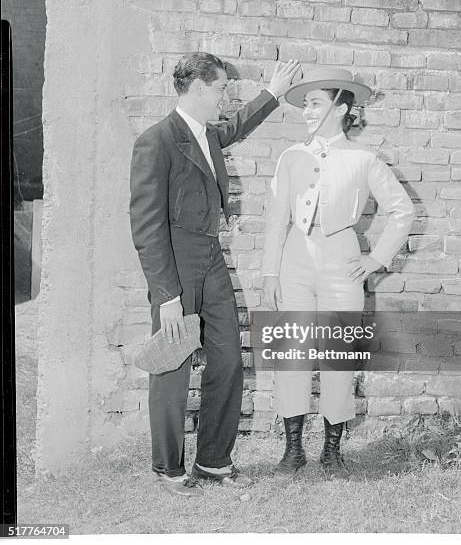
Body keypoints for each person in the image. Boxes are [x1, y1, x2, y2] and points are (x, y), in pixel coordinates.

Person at [129, 52, 300, 496]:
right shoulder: (158, 140)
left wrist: (273, 94)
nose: (225, 96)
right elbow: (147, 226)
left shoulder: (207, 134)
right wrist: (167, 294)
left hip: (211, 259)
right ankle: (168, 469)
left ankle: (213, 461)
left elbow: (238, 126)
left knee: (227, 359)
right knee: (172, 366)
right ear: (199, 88)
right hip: (176, 268)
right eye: (221, 88)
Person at [261, 67, 415, 480]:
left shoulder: (363, 158)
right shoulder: (291, 156)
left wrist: (376, 259)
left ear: (340, 107)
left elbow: (402, 212)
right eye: (305, 104)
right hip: (294, 260)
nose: (307, 111)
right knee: (291, 354)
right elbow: (276, 219)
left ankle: (332, 450)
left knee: (338, 356)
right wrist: (270, 274)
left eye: (315, 103)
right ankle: (292, 450)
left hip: (342, 261)